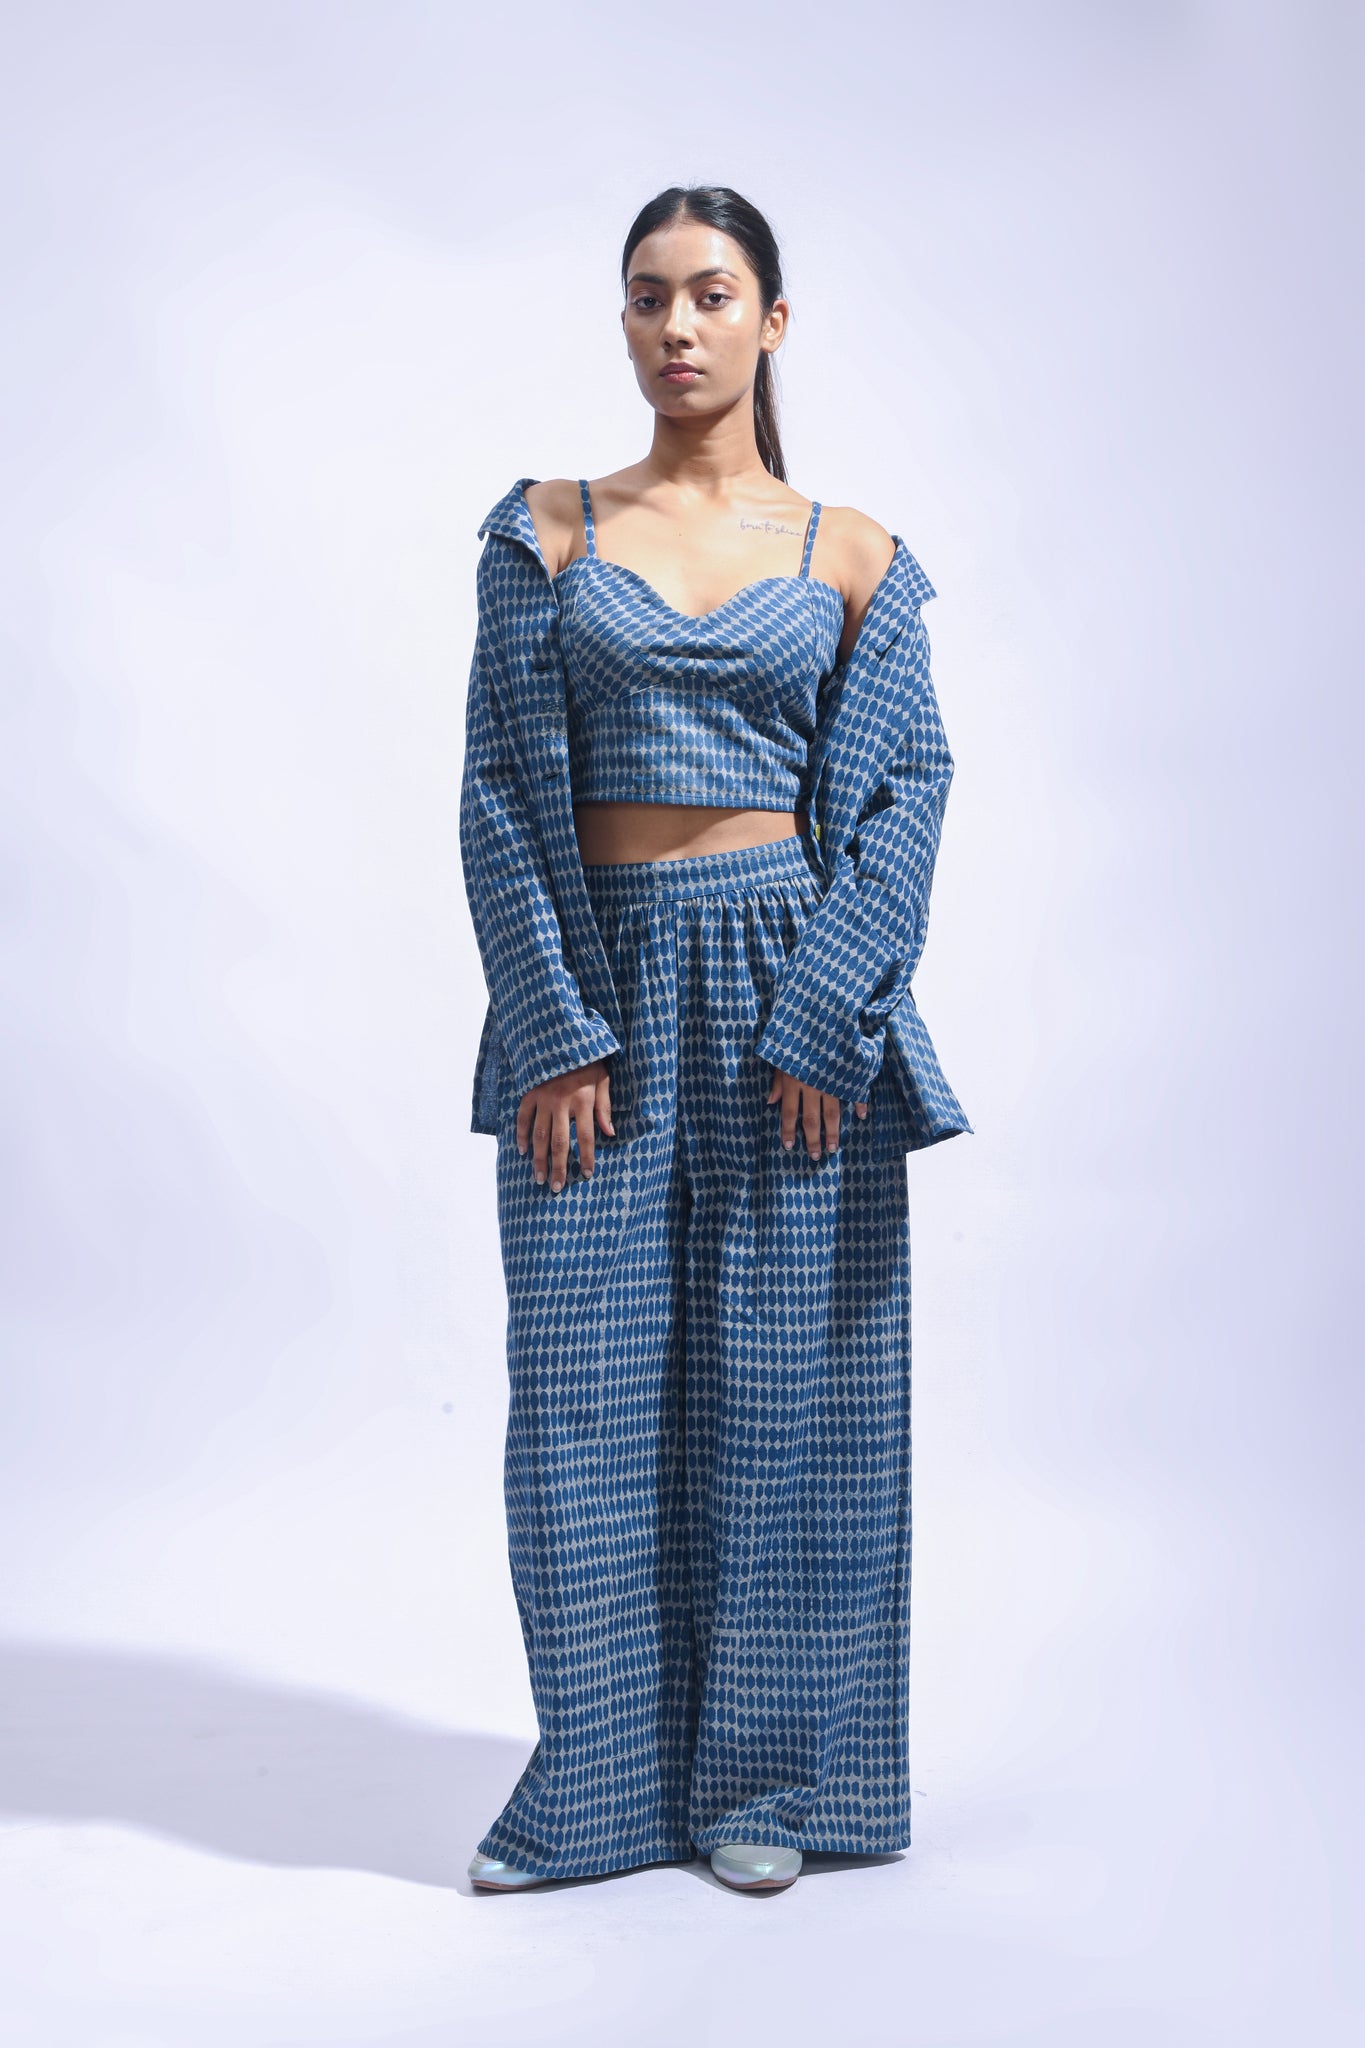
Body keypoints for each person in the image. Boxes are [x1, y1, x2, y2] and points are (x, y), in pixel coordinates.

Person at [459, 184, 971, 1897]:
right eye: (646, 295)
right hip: (596, 991)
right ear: (621, 321)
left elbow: (905, 796)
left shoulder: (852, 554)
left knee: (789, 1390)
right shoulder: (545, 532)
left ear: (771, 319)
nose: (675, 326)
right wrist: (552, 1024)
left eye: (711, 293)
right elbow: (497, 791)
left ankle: (768, 1784)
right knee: (580, 1402)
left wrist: (830, 1012)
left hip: (787, 997)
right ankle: (595, 1793)